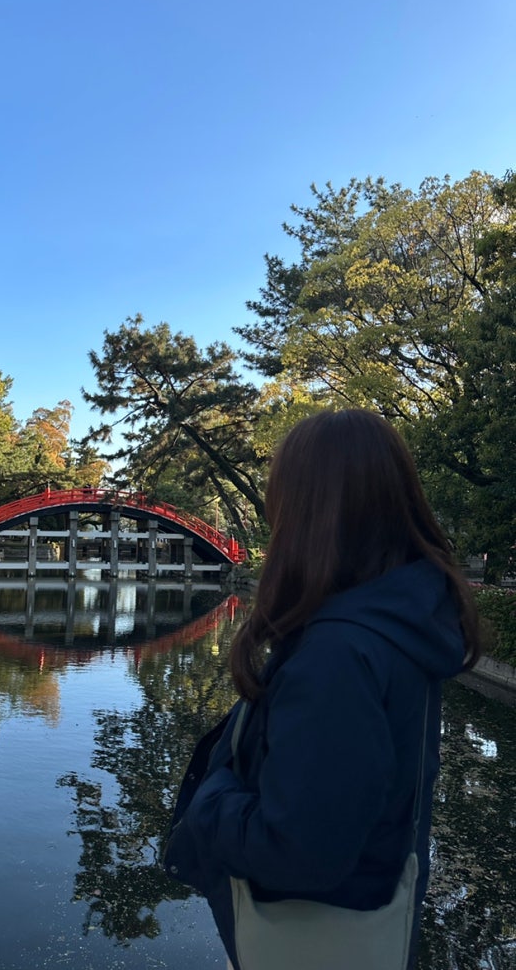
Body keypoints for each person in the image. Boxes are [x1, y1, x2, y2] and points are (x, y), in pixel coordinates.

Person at [163, 408, 480, 970]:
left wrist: (210, 801)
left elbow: (300, 852)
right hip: (372, 916)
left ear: (308, 512)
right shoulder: (398, 627)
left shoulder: (338, 656)